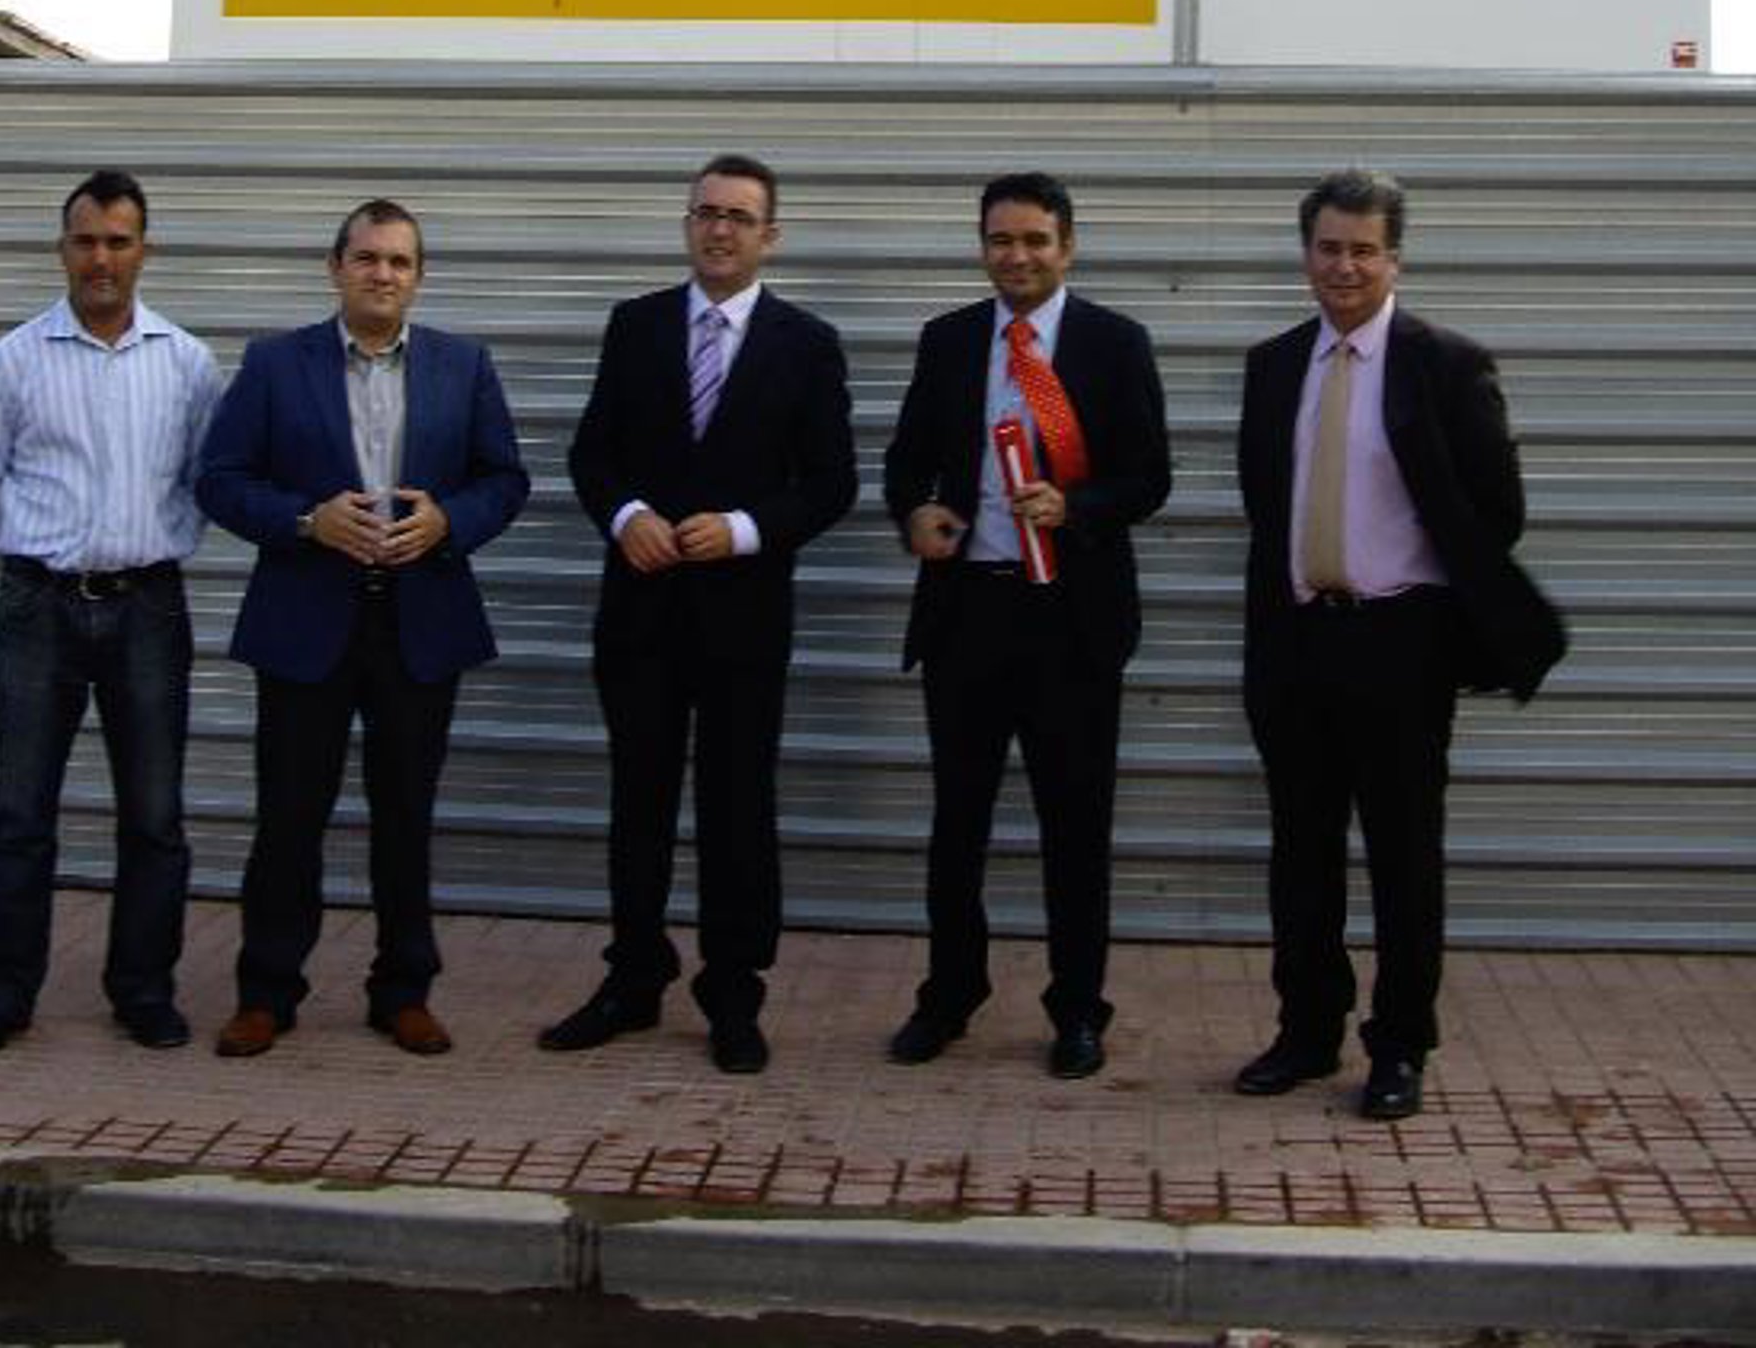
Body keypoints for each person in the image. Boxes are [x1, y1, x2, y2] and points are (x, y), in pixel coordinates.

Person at [1234, 168, 1566, 1122]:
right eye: (1328, 248)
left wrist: (1436, 616)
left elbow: (1496, 512)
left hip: (1401, 643)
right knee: (1300, 853)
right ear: (1306, 255)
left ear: (1395, 260)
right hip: (1297, 642)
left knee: (1403, 855)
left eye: (1364, 250)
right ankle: (1306, 1031)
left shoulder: (1446, 364)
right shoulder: (1273, 364)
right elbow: (1266, 501)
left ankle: (1400, 1045)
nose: (1344, 266)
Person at [539, 153, 856, 1073]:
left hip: (743, 619)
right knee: (637, 799)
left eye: (739, 217)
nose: (720, 230)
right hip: (640, 612)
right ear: (687, 223)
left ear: (770, 236)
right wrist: (626, 516)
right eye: (706, 213)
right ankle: (633, 977)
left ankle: (734, 991)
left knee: (737, 806)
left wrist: (747, 530)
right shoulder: (635, 325)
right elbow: (592, 454)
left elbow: (831, 483)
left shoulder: (807, 343)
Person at [198, 197, 527, 1059]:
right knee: (289, 817)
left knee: (406, 816)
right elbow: (220, 478)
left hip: (420, 621)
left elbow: (505, 479)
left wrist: (449, 522)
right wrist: (307, 521)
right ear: (335, 267)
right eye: (368, 258)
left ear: (419, 276)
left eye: (400, 261)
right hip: (305, 620)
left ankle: (404, 990)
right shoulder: (276, 364)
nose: (383, 274)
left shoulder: (463, 365)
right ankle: (266, 992)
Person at [883, 172, 1171, 1080]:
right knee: (957, 822)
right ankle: (948, 994)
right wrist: (916, 514)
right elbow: (905, 463)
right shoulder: (949, 339)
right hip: (969, 610)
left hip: (1071, 621)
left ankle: (1077, 1008)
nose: (1017, 256)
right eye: (1001, 240)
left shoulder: (1115, 343)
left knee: (1075, 827)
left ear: (1067, 247)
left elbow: (1150, 477)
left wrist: (1076, 506)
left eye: (1035, 240)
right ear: (982, 247)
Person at [0, 170, 221, 1058]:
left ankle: (142, 990)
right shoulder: (14, 359)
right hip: (39, 607)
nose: (101, 258)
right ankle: (3, 996)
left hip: (147, 608)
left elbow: (204, 481)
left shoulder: (186, 363)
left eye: (118, 241)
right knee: (20, 813)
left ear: (146, 250)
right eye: (86, 241)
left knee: (154, 815)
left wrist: (145, 546)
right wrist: (36, 559)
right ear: (61, 248)